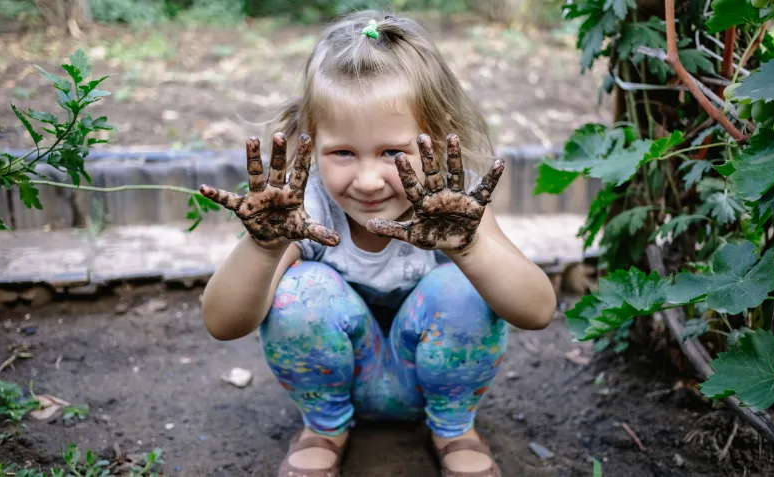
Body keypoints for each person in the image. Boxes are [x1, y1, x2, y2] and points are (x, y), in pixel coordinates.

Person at [199, 10, 557, 477]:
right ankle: (325, 427)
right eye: (343, 152)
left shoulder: (454, 207)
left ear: (436, 137)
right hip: (343, 384)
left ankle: (454, 428)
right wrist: (264, 249)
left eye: (392, 152)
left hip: (432, 383)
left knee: (463, 285)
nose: (368, 181)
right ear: (309, 142)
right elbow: (222, 323)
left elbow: (538, 310)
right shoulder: (306, 210)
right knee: (300, 287)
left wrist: (467, 251)